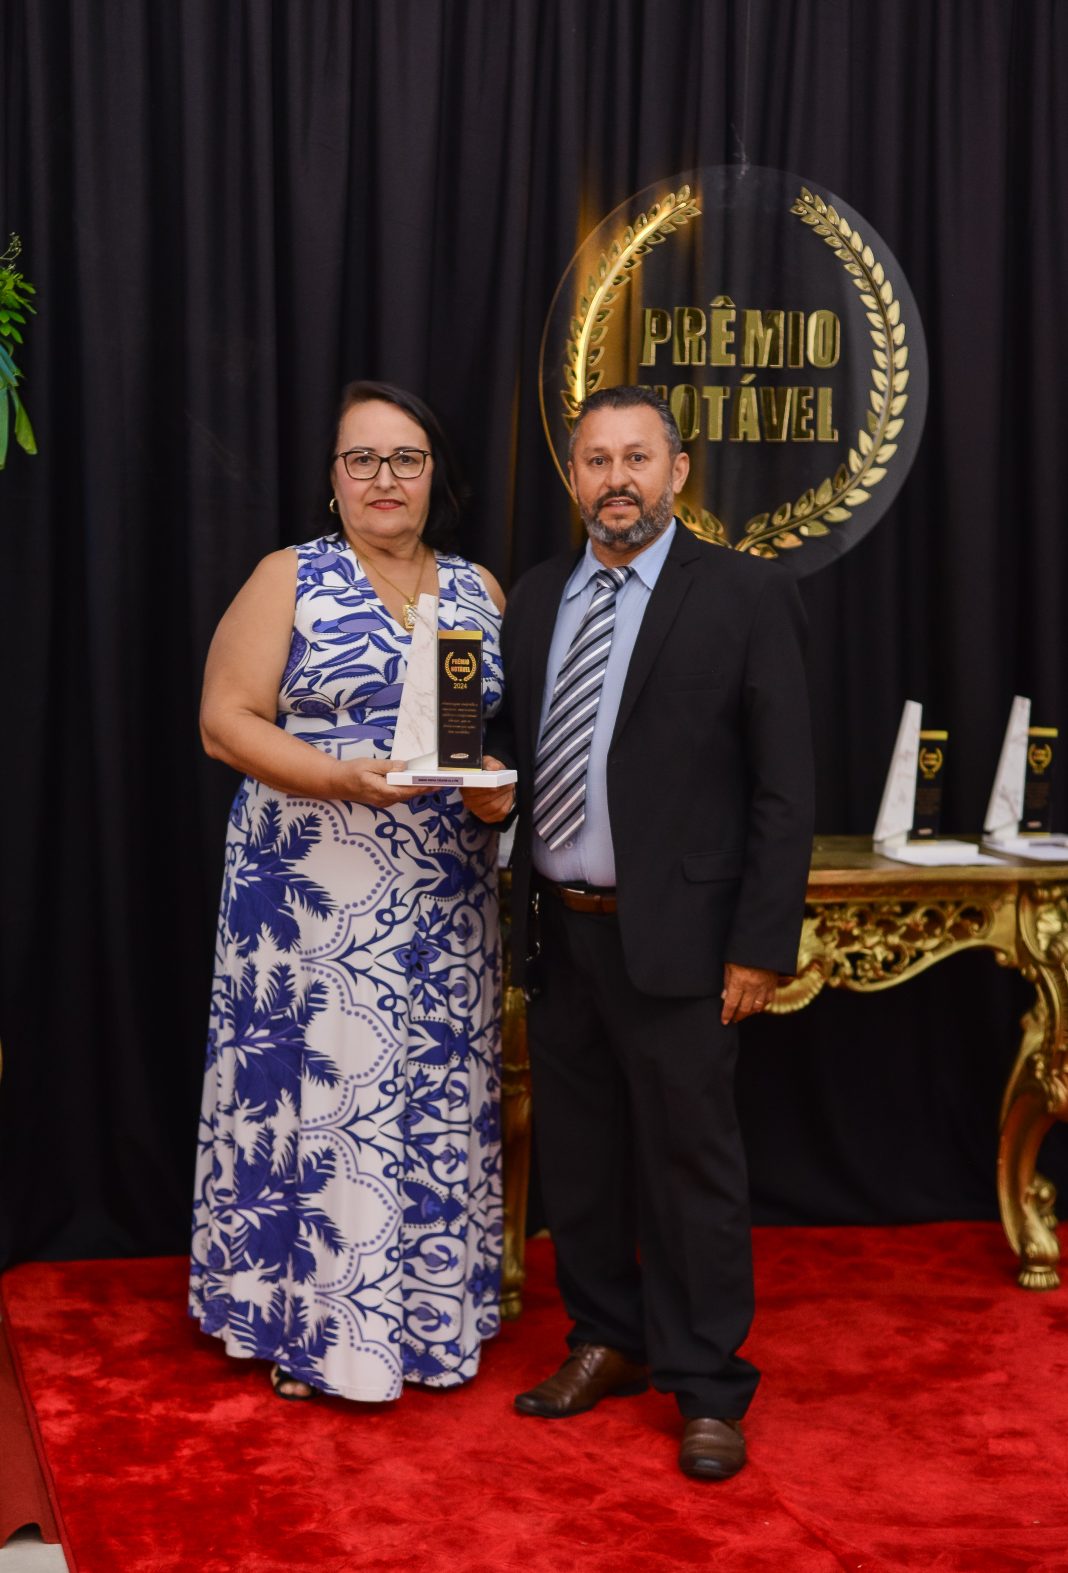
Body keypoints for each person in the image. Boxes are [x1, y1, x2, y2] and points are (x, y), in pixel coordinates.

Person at [464, 385, 813, 1479]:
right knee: (582, 1161)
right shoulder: (536, 595)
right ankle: (606, 1339)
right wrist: (488, 781)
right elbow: (517, 739)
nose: (616, 478)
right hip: (561, 934)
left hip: (686, 942)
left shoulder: (745, 594)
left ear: (677, 471)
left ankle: (708, 1386)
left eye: (636, 457)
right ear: (572, 476)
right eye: (595, 459)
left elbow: (785, 788)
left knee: (691, 1167)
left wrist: (759, 944)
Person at [190, 380, 506, 1402]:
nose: (384, 478)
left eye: (405, 458)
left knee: (427, 1092)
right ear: (334, 479)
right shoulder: (291, 575)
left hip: (445, 896)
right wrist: (339, 778)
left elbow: (489, 737)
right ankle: (307, 1327)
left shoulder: (480, 590)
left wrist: (496, 793)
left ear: (435, 475)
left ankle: (422, 1320)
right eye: (361, 459)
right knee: (326, 1098)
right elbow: (224, 721)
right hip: (310, 894)